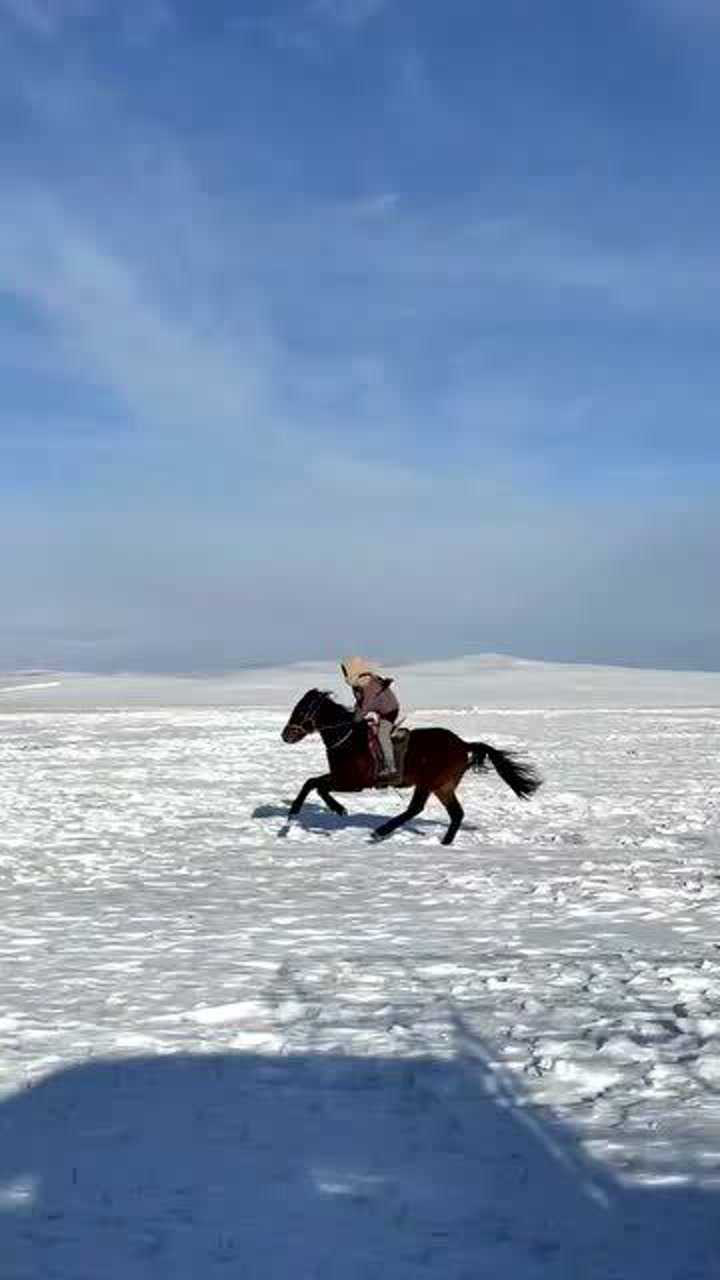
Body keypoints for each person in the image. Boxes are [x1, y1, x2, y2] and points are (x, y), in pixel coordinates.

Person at [341, 657, 400, 779]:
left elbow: (366, 705)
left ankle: (391, 767)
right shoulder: (360, 684)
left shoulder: (369, 684)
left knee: (382, 735)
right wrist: (352, 714)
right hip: (378, 710)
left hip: (389, 711)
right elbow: (360, 703)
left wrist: (355, 719)